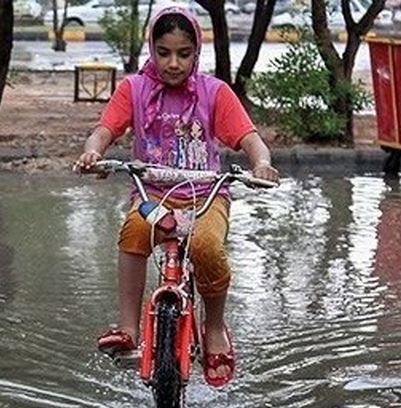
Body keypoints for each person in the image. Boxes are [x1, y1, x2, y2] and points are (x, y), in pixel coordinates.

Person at [73, 7, 280, 388]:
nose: (173, 63)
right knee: (134, 231)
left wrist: (262, 163)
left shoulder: (215, 92)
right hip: (153, 197)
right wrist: (93, 154)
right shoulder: (132, 89)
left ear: (196, 52)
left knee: (206, 247)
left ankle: (215, 329)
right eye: (164, 52)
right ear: (151, 48)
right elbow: (103, 131)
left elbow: (250, 140)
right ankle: (128, 329)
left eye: (183, 54)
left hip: (206, 197)